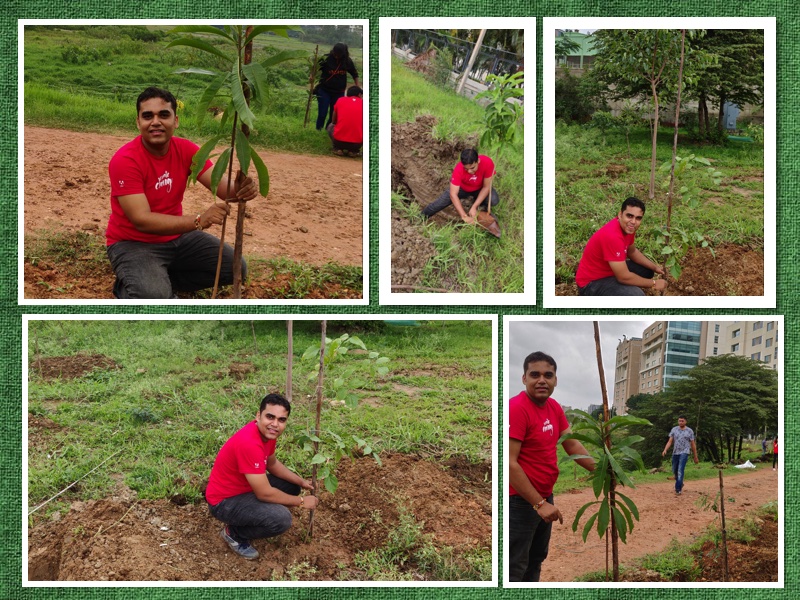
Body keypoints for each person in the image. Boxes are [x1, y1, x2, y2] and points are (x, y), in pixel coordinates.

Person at [106, 87, 258, 299]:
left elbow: (226, 190)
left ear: (175, 121)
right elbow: (141, 220)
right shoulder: (125, 160)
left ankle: (160, 282)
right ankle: (136, 286)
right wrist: (199, 221)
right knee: (153, 295)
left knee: (235, 268)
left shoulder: (187, 150)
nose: (156, 122)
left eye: (164, 115)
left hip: (178, 238)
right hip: (134, 243)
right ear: (138, 122)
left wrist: (243, 188)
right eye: (148, 116)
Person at [508, 351, 595, 582]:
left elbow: (571, 444)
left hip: (545, 497)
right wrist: (538, 503)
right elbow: (508, 463)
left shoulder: (554, 407)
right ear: (524, 378)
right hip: (520, 501)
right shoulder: (516, 408)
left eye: (548, 375)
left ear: (555, 379)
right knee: (513, 567)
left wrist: (603, 469)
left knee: (535, 559)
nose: (542, 380)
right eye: (534, 374)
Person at [205, 393, 318, 560]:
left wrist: (301, 481)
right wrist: (301, 502)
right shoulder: (249, 443)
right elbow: (264, 493)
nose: (275, 424)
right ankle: (234, 533)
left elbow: (272, 464)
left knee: (292, 486)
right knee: (281, 519)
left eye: (281, 420)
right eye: (270, 417)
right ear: (258, 416)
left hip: (245, 488)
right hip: (224, 502)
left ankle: (259, 514)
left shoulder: (267, 434)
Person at [575, 197, 667, 296]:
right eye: (629, 216)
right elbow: (623, 277)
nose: (633, 221)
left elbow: (632, 252)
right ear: (620, 215)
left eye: (638, 218)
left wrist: (655, 267)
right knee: (636, 295)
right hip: (591, 284)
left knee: (647, 271)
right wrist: (654, 283)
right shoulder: (612, 236)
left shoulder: (628, 228)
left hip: (610, 271)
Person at [422, 149, 499, 223]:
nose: (469, 171)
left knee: (493, 200)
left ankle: (481, 209)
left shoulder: (487, 163)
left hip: (479, 188)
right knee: (438, 204)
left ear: (478, 161)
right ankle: (421, 217)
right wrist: (464, 216)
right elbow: (453, 194)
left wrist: (474, 206)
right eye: (466, 169)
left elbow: (486, 187)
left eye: (472, 168)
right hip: (462, 189)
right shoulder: (458, 169)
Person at [315, 43, 360, 131]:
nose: (336, 56)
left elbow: (354, 74)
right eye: (335, 54)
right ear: (333, 51)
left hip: (339, 92)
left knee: (334, 114)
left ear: (343, 54)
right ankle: (318, 130)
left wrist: (357, 87)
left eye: (338, 55)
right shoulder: (326, 58)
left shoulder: (347, 61)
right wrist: (312, 77)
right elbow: (315, 68)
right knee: (322, 113)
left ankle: (328, 130)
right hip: (324, 90)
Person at [661, 416, 699, 495]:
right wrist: (665, 450)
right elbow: (670, 441)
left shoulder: (689, 431)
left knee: (680, 470)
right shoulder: (674, 429)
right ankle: (680, 482)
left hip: (685, 452)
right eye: (679, 421)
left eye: (682, 421)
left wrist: (695, 456)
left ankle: (678, 489)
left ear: (686, 422)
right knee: (675, 469)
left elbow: (692, 444)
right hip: (675, 452)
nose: (680, 422)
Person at [326, 86, 363, 156]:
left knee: (330, 126)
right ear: (359, 95)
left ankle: (337, 148)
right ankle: (354, 151)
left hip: (338, 141)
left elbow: (333, 121)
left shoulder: (340, 100)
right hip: (356, 143)